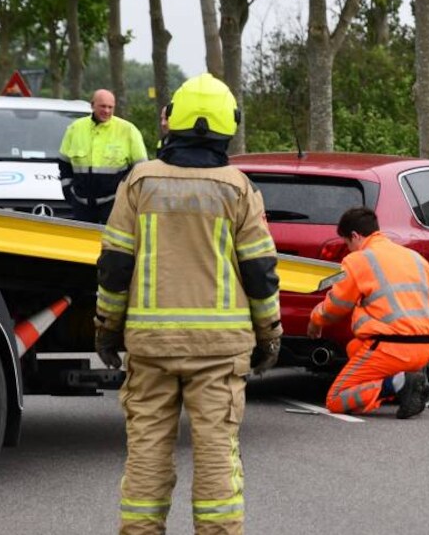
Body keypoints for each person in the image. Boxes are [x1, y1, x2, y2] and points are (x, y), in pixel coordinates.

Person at [93, 73, 282, 535]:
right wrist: (269, 334)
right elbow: (260, 272)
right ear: (228, 125)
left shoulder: (139, 182)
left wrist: (106, 328)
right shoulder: (238, 188)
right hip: (220, 352)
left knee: (147, 456)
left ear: (171, 120)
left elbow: (115, 265)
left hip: (151, 348)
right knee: (217, 454)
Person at [307, 207, 429, 418]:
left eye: (347, 244)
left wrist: (316, 320)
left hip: (390, 349)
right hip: (426, 350)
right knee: (355, 348)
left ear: (355, 236)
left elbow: (337, 306)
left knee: (336, 398)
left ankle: (398, 383)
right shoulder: (417, 259)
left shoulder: (359, 260)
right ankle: (404, 382)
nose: (349, 250)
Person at [58, 89, 148, 223]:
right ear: (92, 105)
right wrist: (68, 192)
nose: (106, 111)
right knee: (83, 243)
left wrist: (128, 198)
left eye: (110, 107)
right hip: (81, 205)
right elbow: (64, 164)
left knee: (110, 244)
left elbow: (141, 169)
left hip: (114, 204)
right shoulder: (75, 128)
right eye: (102, 106)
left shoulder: (128, 130)